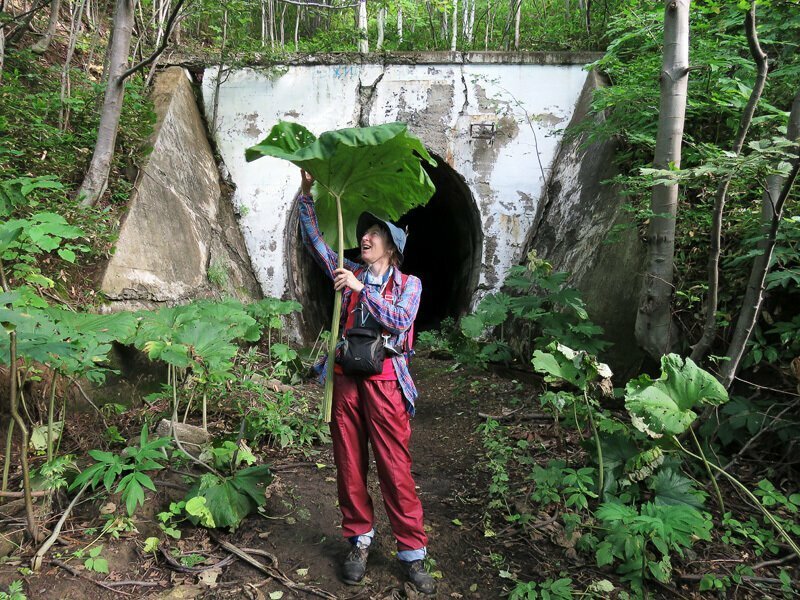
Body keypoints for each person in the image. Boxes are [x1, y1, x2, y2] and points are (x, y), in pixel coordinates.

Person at [297, 169, 436, 595]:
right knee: (349, 465)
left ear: (391, 246)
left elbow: (400, 319)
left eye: (375, 233)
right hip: (346, 381)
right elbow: (317, 245)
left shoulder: (408, 285)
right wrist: (306, 196)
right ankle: (358, 541)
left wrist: (362, 288)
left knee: (395, 467)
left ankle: (412, 553)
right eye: (365, 233)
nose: (366, 238)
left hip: (387, 381)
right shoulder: (347, 271)